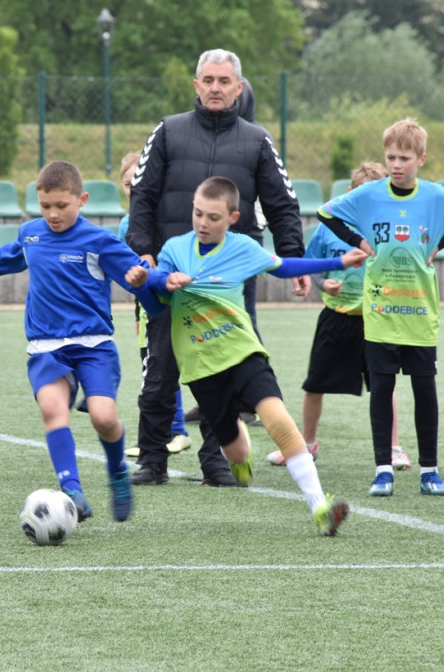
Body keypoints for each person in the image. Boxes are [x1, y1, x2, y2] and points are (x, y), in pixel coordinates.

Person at [135, 176, 365, 534]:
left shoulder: (242, 248)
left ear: (233, 218)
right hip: (201, 369)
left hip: (243, 352)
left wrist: (338, 262)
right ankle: (238, 445)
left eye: (213, 217)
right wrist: (152, 283)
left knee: (278, 418)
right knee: (237, 456)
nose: (203, 223)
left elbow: (284, 266)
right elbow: (156, 305)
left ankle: (319, 506)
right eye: (198, 214)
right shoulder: (174, 250)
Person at [126, 48, 308, 487]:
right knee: (161, 370)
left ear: (238, 88)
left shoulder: (257, 139)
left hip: (227, 280)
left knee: (221, 371)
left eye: (224, 81)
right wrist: (143, 253)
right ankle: (152, 460)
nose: (215, 88)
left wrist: (294, 257)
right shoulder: (167, 132)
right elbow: (142, 195)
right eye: (207, 80)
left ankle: (216, 461)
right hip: (172, 276)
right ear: (196, 85)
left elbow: (282, 204)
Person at [0, 160, 148, 523]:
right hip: (46, 346)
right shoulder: (31, 234)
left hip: (94, 345)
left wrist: (144, 278)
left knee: (104, 417)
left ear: (82, 199)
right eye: (45, 206)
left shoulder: (99, 241)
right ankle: (72, 490)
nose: (52, 214)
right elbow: (7, 258)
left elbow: (135, 276)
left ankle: (117, 473)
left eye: (61, 206)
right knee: (52, 409)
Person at [317, 118, 444, 497]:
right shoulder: (370, 194)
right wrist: (360, 240)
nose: (396, 164)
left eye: (405, 157)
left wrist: (440, 243)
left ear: (421, 159)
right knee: (381, 388)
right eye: (391, 156)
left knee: (425, 389)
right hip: (381, 311)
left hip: (420, 313)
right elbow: (327, 213)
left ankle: (430, 471)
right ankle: (383, 470)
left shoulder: (436, 197)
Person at [265, 162, 411, 470]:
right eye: (360, 195)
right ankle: (305, 445)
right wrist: (323, 284)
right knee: (314, 385)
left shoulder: (387, 231)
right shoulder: (328, 228)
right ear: (348, 194)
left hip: (376, 320)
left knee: (384, 385)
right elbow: (312, 265)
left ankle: (393, 448)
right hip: (336, 319)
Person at [116, 151, 192, 458]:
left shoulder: (170, 221)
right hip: (148, 307)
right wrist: (139, 310)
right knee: (154, 367)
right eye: (126, 183)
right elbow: (130, 272)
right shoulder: (125, 226)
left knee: (177, 367)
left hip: (182, 303)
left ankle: (177, 432)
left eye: (138, 180)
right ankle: (173, 432)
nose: (132, 187)